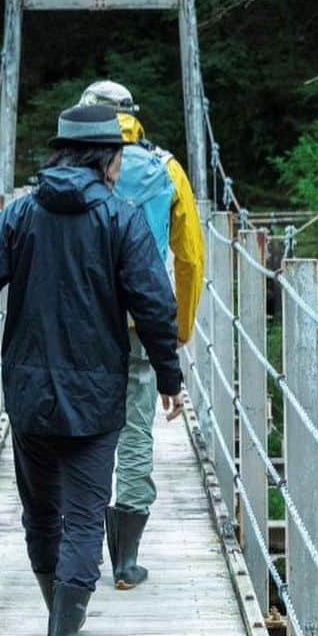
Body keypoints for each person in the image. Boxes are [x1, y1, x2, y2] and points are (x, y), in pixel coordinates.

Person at [0, 104, 183, 636]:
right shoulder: (121, 221)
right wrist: (169, 381)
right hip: (95, 403)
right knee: (85, 518)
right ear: (106, 160)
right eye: (119, 156)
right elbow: (155, 307)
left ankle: (58, 623)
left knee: (41, 514)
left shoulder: (21, 216)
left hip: (29, 397)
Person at [77, 79, 204, 589]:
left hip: (82, 323)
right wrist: (180, 329)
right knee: (135, 430)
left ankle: (80, 550)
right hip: (138, 322)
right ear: (135, 116)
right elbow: (190, 258)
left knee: (82, 431)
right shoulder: (166, 169)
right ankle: (125, 563)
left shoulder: (72, 170)